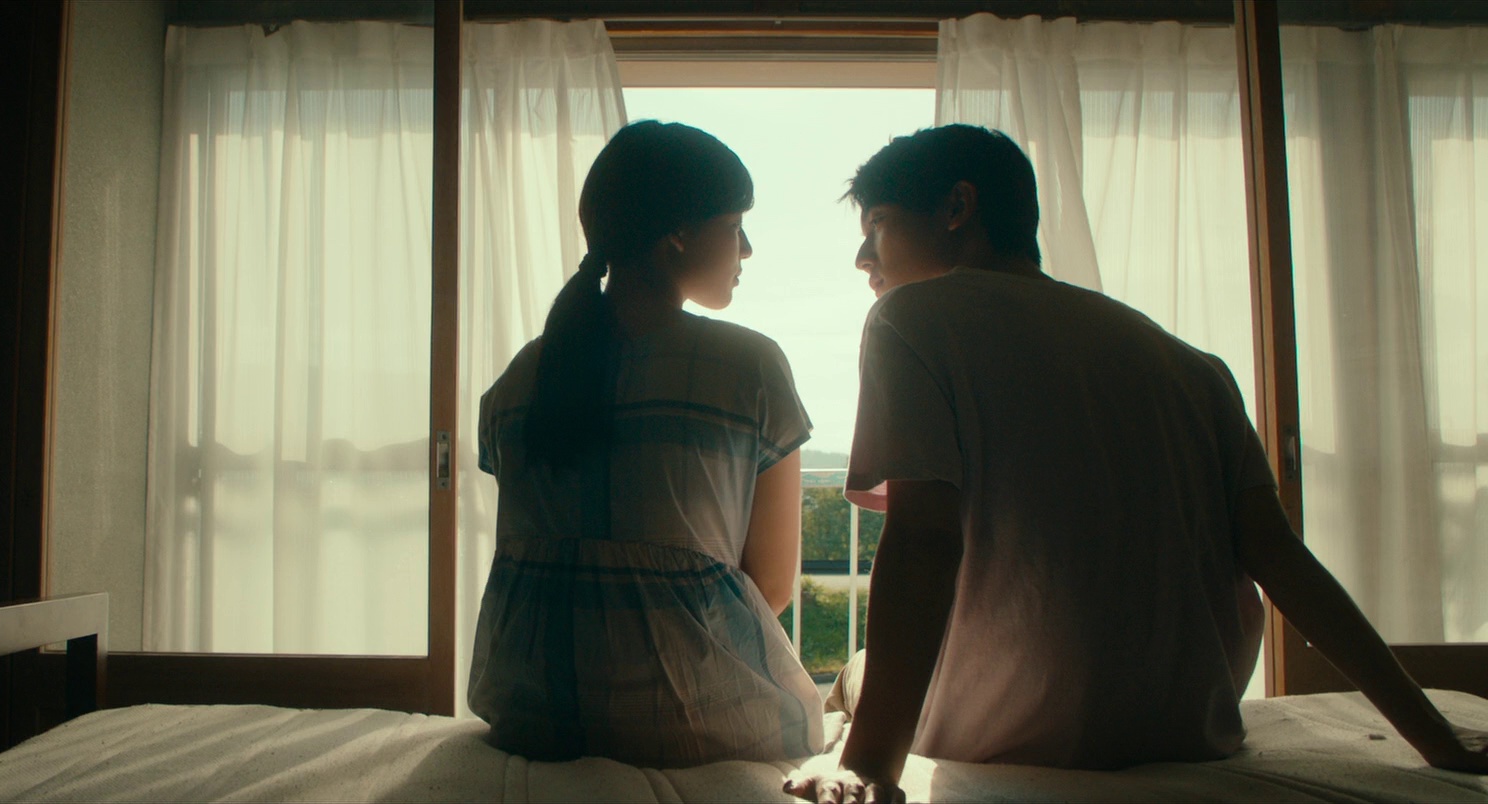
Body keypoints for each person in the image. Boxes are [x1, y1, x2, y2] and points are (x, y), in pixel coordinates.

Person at [785, 124, 1488, 804]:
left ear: (956, 208)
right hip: (1192, 728)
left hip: (1004, 728)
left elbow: (923, 538)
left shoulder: (912, 317)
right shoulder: (1192, 365)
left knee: (855, 676)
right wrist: (1433, 735)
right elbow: (1282, 560)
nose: (863, 257)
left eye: (878, 225)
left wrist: (870, 764)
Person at [468, 120, 824, 768]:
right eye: (734, 225)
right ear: (677, 234)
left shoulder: (521, 378)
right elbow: (771, 588)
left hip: (532, 717)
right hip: (699, 724)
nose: (746, 249)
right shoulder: (750, 367)